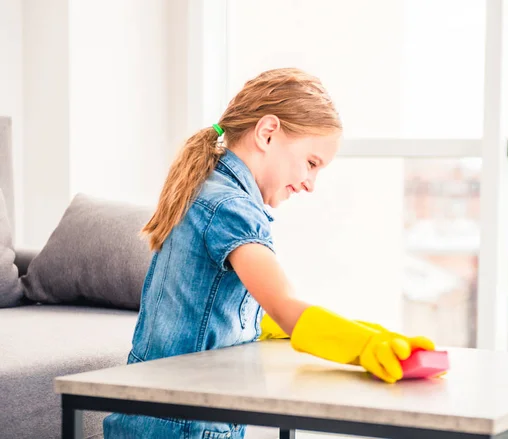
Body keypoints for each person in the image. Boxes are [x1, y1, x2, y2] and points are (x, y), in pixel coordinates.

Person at [103, 67, 435, 439]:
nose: (311, 184)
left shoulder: (209, 190)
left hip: (155, 417)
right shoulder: (229, 207)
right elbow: (283, 304)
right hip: (185, 427)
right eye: (311, 163)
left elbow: (239, 314)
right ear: (267, 133)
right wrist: (366, 347)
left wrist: (367, 331)